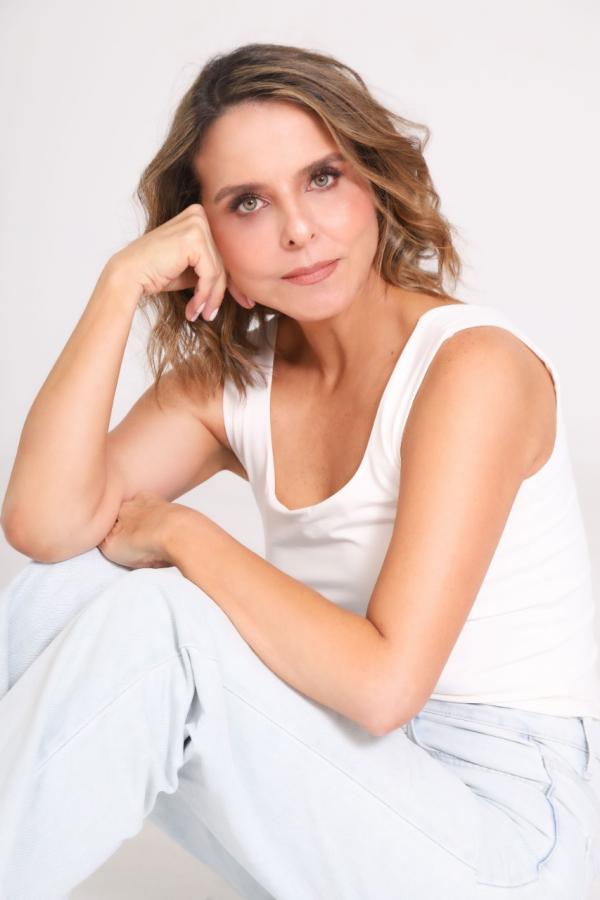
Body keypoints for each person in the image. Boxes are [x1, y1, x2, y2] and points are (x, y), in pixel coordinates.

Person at [1, 41, 599, 900]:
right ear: (204, 235)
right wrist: (119, 285)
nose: (297, 229)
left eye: (322, 178)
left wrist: (181, 533)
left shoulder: (474, 370)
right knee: (63, 593)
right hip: (359, 768)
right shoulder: (235, 385)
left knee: (163, 621)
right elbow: (45, 527)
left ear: (373, 182)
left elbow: (386, 686)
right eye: (248, 203)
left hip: (509, 831)